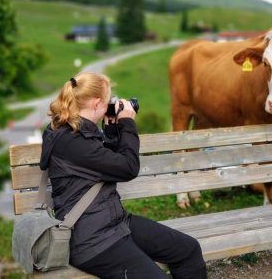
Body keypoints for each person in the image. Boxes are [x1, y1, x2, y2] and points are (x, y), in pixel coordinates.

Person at [39, 72, 207, 279]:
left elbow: (104, 166)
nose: (112, 103)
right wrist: (127, 122)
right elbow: (127, 167)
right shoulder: (71, 141)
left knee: (187, 250)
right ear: (98, 103)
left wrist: (110, 131)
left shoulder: (78, 131)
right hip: (91, 241)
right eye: (109, 99)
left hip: (115, 223)